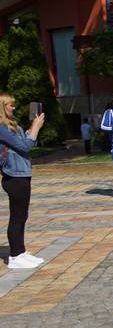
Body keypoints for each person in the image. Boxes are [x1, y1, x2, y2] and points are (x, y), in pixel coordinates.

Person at [0, 93, 46, 269]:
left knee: (22, 215)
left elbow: (27, 143)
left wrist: (32, 128)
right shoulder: (2, 128)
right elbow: (25, 146)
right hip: (13, 176)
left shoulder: (13, 125)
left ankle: (21, 251)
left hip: (22, 173)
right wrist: (36, 127)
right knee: (17, 216)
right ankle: (14, 256)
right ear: (2, 107)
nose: (14, 108)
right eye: (10, 105)